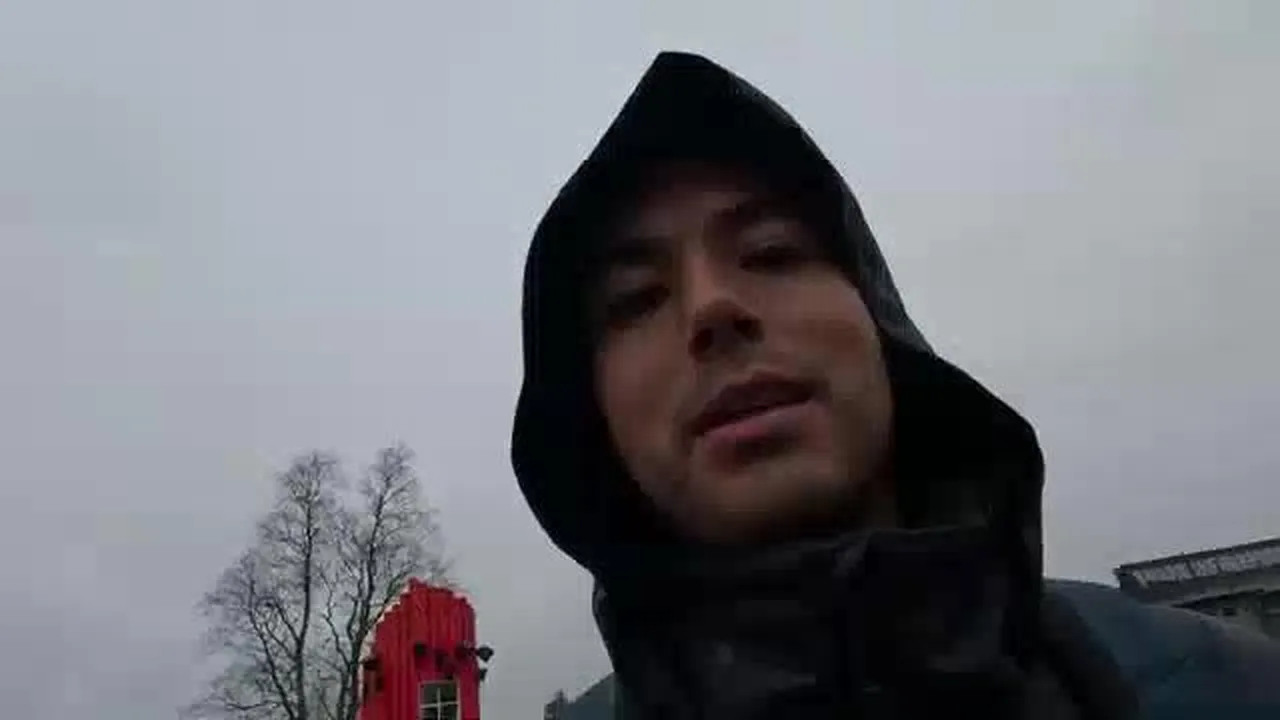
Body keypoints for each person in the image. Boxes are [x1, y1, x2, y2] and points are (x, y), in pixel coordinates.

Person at [510, 52, 1280, 719]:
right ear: (592, 417)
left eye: (773, 253)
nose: (712, 307)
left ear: (883, 325)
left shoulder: (1219, 684)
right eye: (637, 299)